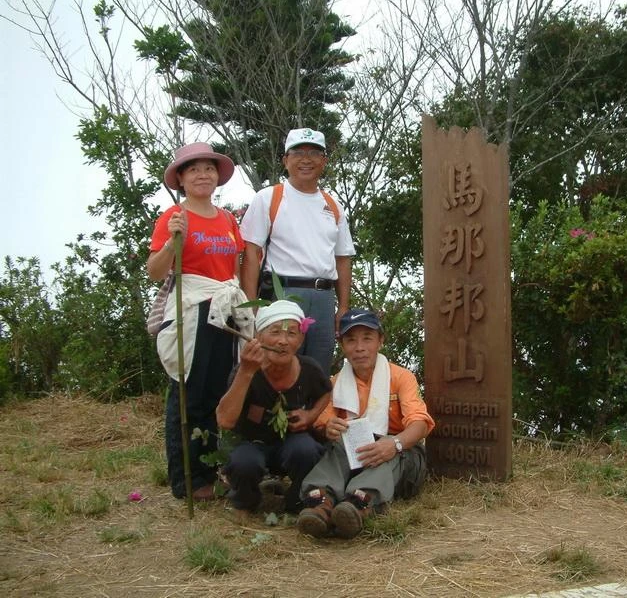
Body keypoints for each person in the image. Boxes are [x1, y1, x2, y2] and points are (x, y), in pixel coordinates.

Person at [147, 142, 253, 502]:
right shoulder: (174, 218)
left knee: (219, 390)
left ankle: (213, 468)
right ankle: (188, 480)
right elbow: (154, 272)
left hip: (225, 308)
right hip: (192, 308)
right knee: (188, 392)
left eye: (208, 168)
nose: (202, 175)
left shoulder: (226, 220)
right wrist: (172, 243)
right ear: (180, 178)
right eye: (193, 169)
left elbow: (233, 268)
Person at [296, 309, 435, 539]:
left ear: (380, 341)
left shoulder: (401, 377)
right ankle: (320, 502)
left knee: (386, 450)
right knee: (339, 444)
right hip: (356, 457)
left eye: (367, 338)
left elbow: (419, 424)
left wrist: (394, 444)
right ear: (342, 346)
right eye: (351, 340)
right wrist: (328, 427)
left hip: (404, 454)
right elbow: (322, 421)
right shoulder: (335, 383)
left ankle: (361, 503)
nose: (359, 347)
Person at [239, 128, 355, 375]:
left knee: (317, 370)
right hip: (282, 293)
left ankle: (312, 415)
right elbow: (251, 253)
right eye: (298, 152)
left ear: (324, 161)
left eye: (314, 153)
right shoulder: (269, 197)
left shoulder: (332, 205)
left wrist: (343, 306)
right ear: (285, 160)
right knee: (275, 367)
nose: (306, 159)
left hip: (324, 297)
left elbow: (343, 258)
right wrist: (251, 306)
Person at [215, 300, 331, 513]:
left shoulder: (309, 369)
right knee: (244, 462)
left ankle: (296, 502)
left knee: (307, 450)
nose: (283, 342)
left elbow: (326, 393)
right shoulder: (245, 370)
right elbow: (224, 420)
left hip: (292, 441)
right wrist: (247, 372)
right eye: (275, 332)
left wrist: (311, 416)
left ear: (301, 339)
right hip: (252, 443)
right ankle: (246, 503)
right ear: (258, 336)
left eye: (292, 334)